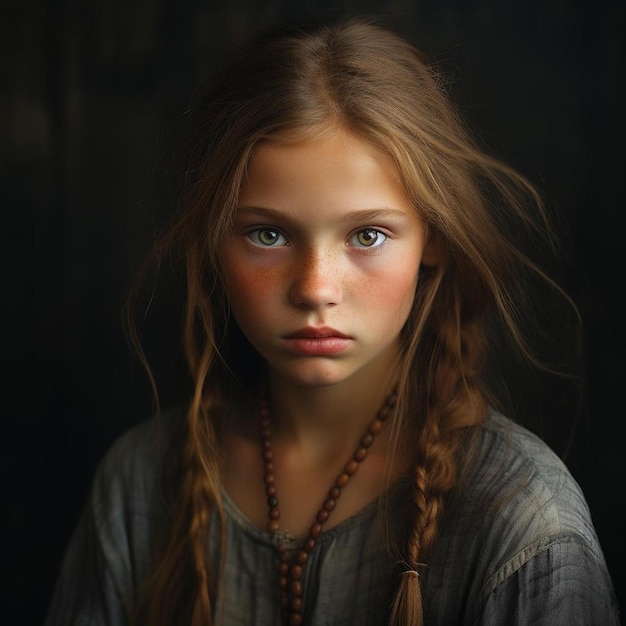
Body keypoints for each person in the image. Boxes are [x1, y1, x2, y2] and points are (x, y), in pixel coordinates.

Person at [44, 15, 619, 626]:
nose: (316, 288)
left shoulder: (523, 521)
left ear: (435, 239)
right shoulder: (139, 488)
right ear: (213, 244)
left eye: (367, 235)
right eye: (268, 234)